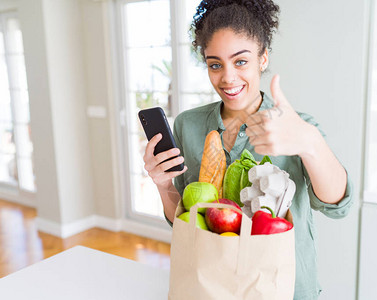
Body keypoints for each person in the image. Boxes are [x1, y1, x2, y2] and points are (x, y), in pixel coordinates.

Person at [143, 0, 354, 299]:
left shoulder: (296, 126)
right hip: (211, 285)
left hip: (285, 287)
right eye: (215, 64)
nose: (227, 78)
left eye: (240, 61)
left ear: (263, 58)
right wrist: (164, 185)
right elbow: (185, 219)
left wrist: (311, 143)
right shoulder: (188, 126)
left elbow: (337, 206)